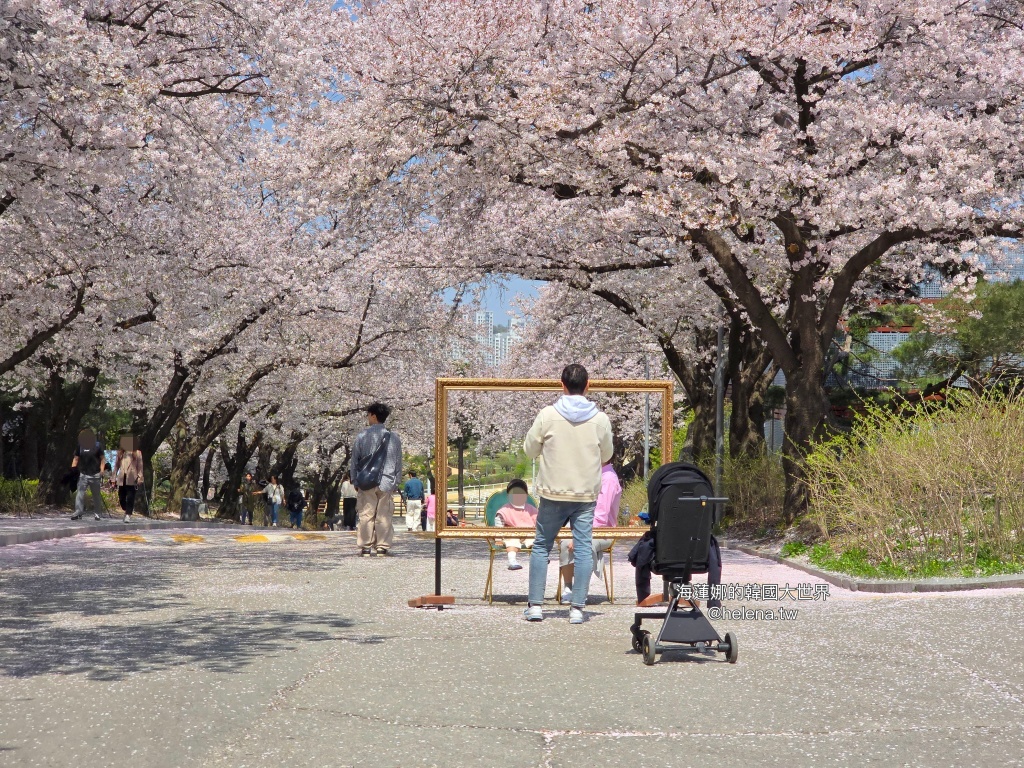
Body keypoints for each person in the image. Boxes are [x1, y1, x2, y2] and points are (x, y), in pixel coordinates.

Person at [523, 364, 613, 624]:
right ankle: (577, 608)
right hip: (584, 495)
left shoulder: (548, 414)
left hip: (553, 492)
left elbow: (530, 450)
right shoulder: (600, 419)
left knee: (541, 545)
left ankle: (537, 606)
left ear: (561, 385)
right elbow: (606, 455)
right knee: (584, 548)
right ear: (588, 386)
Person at [559, 461, 621, 601]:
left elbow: (601, 515)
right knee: (564, 543)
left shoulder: (608, 478)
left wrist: (581, 536)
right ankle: (568, 587)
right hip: (580, 526)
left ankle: (581, 589)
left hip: (602, 531)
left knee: (583, 545)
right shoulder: (590, 474)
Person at [350, 402, 402, 557]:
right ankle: (382, 547)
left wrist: (355, 480)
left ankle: (365, 547)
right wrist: (396, 481)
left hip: (366, 482)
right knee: (384, 515)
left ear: (373, 415)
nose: (367, 418)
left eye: (368, 414)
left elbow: (355, 461)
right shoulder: (394, 438)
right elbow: (398, 462)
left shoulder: (362, 436)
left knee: (366, 514)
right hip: (387, 481)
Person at [493, 479, 538, 570]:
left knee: (534, 542)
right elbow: (499, 526)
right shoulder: (504, 510)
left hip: (529, 533)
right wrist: (498, 539)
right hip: (512, 533)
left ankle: (539, 558)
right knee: (512, 541)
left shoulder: (531, 509)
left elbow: (538, 523)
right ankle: (512, 560)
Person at [70, 428, 108, 521]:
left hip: (95, 474)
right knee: (80, 493)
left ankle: (97, 513)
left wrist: (102, 470)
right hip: (83, 473)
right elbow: (76, 458)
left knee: (96, 495)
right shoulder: (80, 446)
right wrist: (73, 469)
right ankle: (78, 512)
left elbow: (103, 459)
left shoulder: (97, 445)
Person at [113, 434, 144, 524]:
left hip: (132, 478)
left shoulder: (137, 453)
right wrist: (113, 477)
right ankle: (126, 509)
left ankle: (128, 514)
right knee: (121, 497)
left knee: (130, 497)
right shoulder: (121, 453)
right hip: (122, 477)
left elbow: (140, 466)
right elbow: (116, 466)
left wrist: (140, 477)